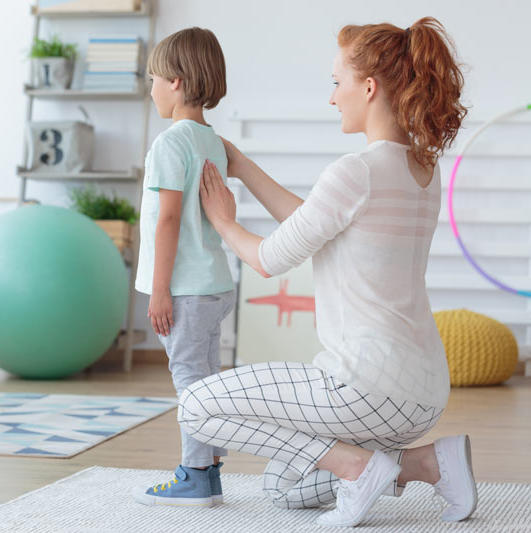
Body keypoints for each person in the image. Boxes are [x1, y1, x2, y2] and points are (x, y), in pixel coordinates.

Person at [179, 17, 476, 527]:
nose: (333, 98)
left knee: (195, 405)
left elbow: (270, 258)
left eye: (337, 83)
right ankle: (425, 461)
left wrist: (225, 223)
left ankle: (359, 468)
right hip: (422, 394)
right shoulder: (423, 172)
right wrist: (243, 166)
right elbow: (317, 223)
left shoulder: (355, 172)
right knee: (283, 486)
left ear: (369, 86)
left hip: (365, 386)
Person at [131, 27, 236, 507]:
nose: (149, 87)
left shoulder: (170, 143)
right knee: (208, 380)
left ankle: (194, 475)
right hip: (215, 284)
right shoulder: (212, 141)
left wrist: (159, 291)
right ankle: (210, 469)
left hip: (186, 289)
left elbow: (169, 218)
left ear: (175, 81)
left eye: (152, 78)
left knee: (191, 383)